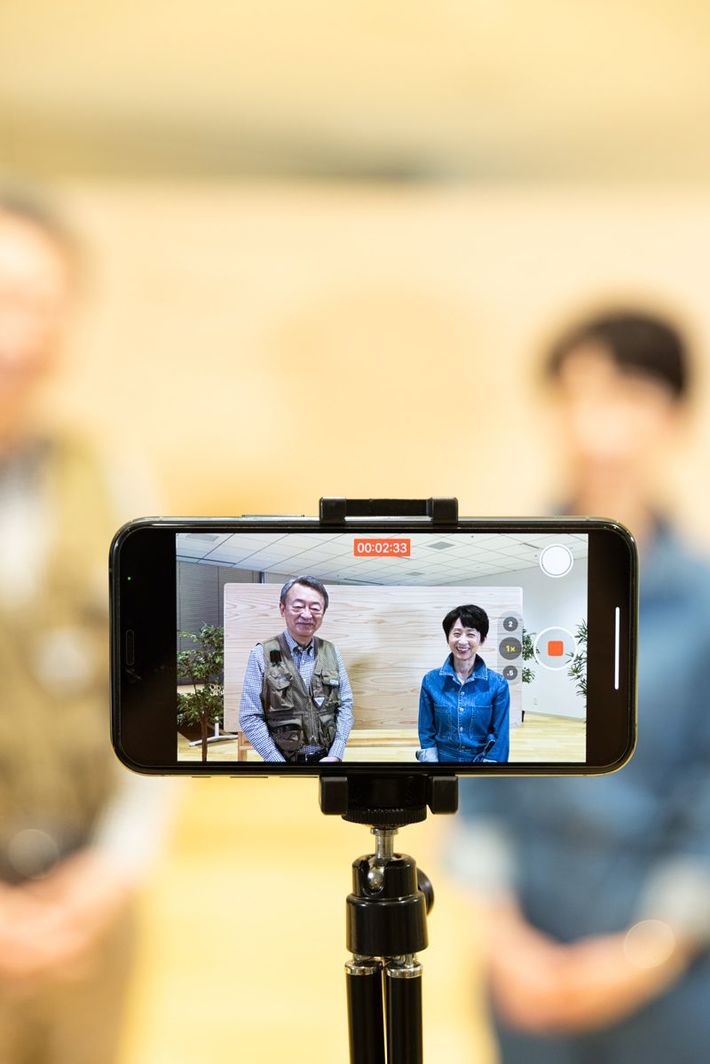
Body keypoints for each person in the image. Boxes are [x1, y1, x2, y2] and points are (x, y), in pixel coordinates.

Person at [450, 309, 710, 1062]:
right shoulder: (499, 584)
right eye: (577, 397)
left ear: (674, 416)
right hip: (525, 968)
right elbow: (475, 783)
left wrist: (644, 956)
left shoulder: (699, 602)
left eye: (626, 397)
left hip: (673, 974)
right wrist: (506, 943)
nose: (598, 430)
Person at [0, 191, 169, 1064]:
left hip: (88, 910)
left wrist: (111, 872)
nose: (19, 330)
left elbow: (166, 691)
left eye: (42, 301)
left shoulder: (112, 481)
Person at [240, 575, 354, 763]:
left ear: (323, 613)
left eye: (315, 608)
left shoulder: (332, 652)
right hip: (282, 762)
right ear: (282, 609)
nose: (307, 615)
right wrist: (276, 762)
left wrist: (336, 752)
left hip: (328, 760)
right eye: (298, 606)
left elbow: (345, 705)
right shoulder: (261, 654)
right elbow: (250, 716)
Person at [418, 604, 510, 764]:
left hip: (481, 763)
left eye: (470, 634)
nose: (462, 641)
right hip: (442, 763)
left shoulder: (498, 684)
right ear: (448, 638)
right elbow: (426, 731)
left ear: (482, 640)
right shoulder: (431, 680)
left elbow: (500, 735)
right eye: (457, 633)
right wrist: (434, 768)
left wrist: (488, 771)